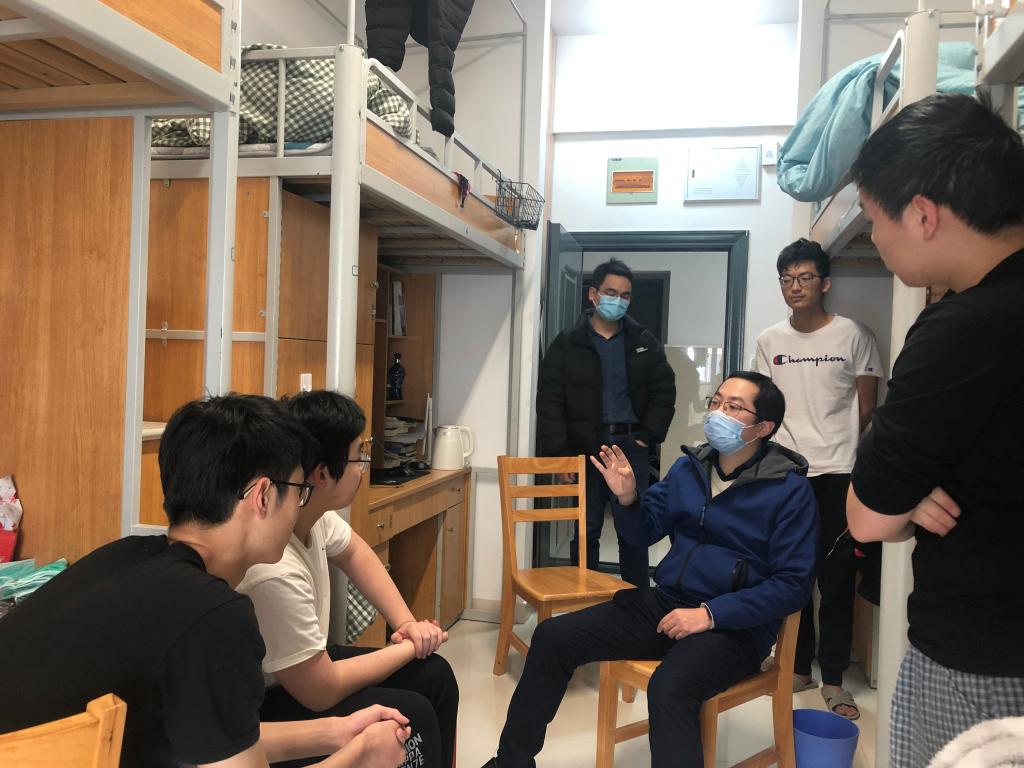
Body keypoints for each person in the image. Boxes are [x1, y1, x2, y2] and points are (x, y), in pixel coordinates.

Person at [0, 394, 410, 768]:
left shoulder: (126, 556)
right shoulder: (214, 615)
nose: (299, 507)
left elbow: (222, 742)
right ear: (263, 497)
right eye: (299, 492)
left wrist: (336, 732)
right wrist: (362, 756)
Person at [483, 372, 817, 768]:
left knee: (670, 687)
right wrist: (627, 498)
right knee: (553, 636)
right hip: (669, 603)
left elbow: (792, 586)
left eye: (733, 407)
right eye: (715, 402)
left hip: (734, 627)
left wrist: (711, 614)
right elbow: (642, 532)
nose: (717, 413)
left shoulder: (789, 491)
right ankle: (511, 762)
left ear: (763, 427)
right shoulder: (689, 469)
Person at [845, 93, 1024, 767]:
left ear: (922, 214)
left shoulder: (964, 329)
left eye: (873, 220)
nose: (874, 239)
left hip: (983, 658)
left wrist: (897, 492)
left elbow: (867, 518)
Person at [238, 390, 458, 768]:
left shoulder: (312, 515)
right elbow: (320, 692)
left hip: (311, 667)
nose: (364, 467)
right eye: (359, 455)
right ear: (322, 474)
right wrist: (409, 646)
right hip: (276, 698)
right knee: (411, 713)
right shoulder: (273, 567)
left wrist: (406, 624)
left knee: (435, 675)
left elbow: (354, 551)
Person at [754, 237, 884, 720]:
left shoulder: (854, 335)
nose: (795, 286)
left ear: (824, 283)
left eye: (805, 277)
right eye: (787, 279)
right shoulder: (770, 341)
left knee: (836, 578)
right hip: (787, 474)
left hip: (839, 472)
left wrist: (835, 444)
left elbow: (867, 406)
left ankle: (833, 678)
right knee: (791, 573)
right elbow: (764, 407)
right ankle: (797, 667)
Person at [536, 258, 676, 587]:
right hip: (586, 446)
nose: (618, 300)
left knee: (634, 527)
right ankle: (584, 600)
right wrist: (560, 454)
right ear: (593, 294)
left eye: (625, 295)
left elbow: (664, 390)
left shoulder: (643, 341)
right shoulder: (567, 343)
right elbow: (550, 400)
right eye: (611, 292)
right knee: (586, 529)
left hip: (631, 446)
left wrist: (647, 436)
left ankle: (636, 601)